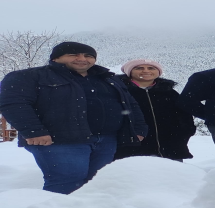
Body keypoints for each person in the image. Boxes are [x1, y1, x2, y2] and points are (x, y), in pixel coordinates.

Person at [0, 42, 147, 194]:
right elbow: (14, 104)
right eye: (73, 55)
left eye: (88, 56)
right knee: (67, 181)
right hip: (59, 140)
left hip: (106, 139)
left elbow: (130, 105)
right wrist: (33, 131)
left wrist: (139, 128)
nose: (82, 58)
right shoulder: (29, 76)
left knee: (98, 182)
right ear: (56, 58)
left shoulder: (107, 78)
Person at [113, 59, 195, 161]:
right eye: (139, 68)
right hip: (131, 147)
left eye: (151, 68)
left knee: (172, 175)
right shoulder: (119, 92)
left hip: (170, 147)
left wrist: (184, 133)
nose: (146, 71)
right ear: (129, 71)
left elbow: (185, 116)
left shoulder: (169, 92)